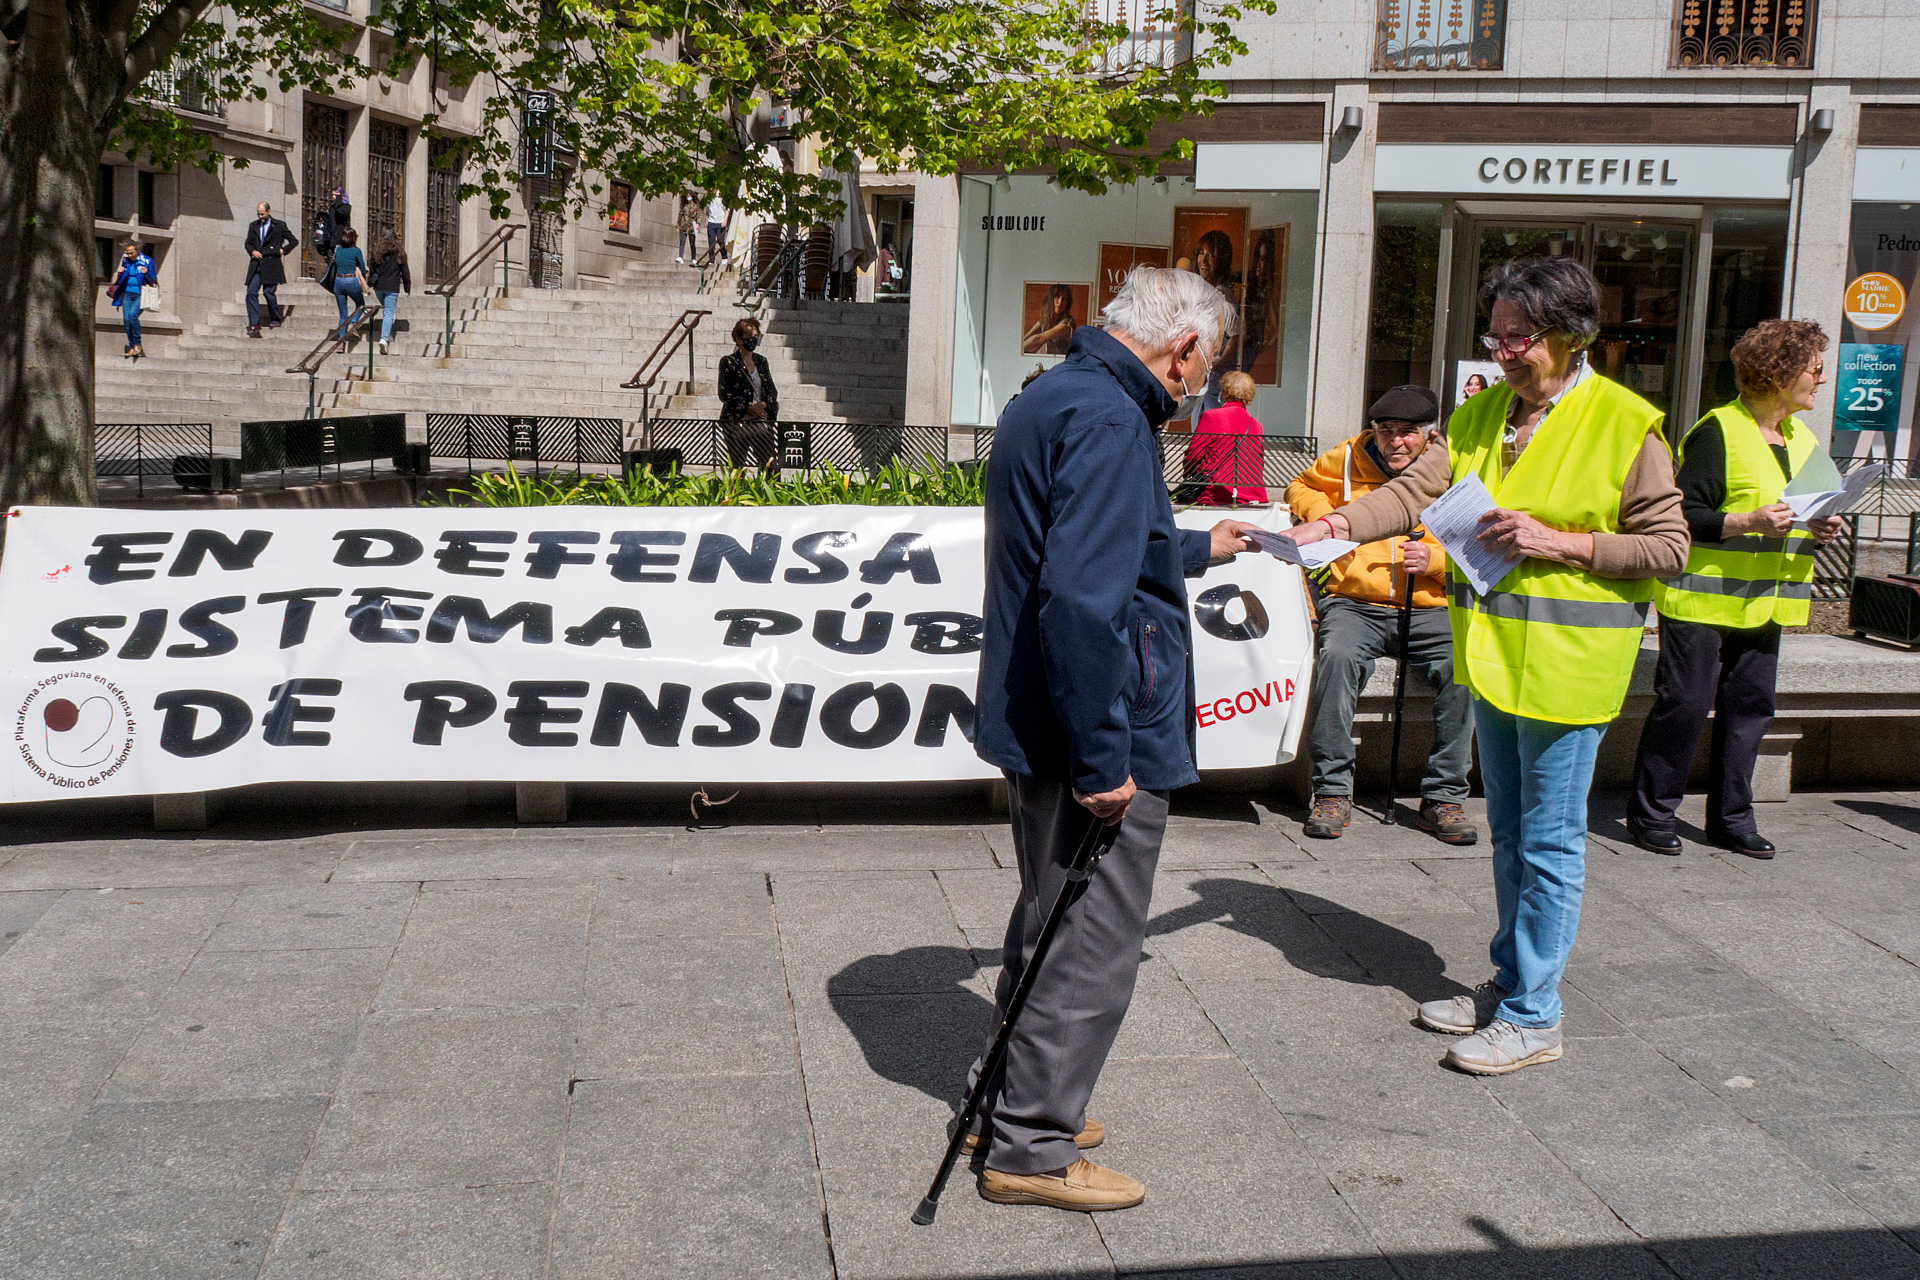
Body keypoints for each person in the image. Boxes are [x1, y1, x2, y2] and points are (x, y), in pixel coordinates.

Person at [1279, 257, 1687, 1076]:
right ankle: (1509, 986)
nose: (1501, 351)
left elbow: (1670, 547)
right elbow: (1413, 493)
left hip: (1570, 667)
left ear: (1571, 336)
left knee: (1550, 843)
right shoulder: (1484, 415)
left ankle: (1536, 1015)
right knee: (1512, 838)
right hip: (1494, 661)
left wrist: (1559, 540)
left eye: (1518, 337)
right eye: (1494, 335)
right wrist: (1329, 530)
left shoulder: (1626, 423)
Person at [970, 265, 1258, 1212]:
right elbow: (1083, 604)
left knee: (1050, 913)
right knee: (1090, 941)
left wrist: (1189, 548)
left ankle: (1006, 1102)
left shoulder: (1060, 393)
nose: (1198, 387)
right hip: (1089, 728)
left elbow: (1087, 548)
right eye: (1201, 368)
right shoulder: (1107, 418)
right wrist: (1106, 759)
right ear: (1181, 348)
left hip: (1045, 713)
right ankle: (1033, 1146)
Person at [1628, 320, 1845, 858]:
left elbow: (1798, 513)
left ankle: (1731, 819)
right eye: (1814, 368)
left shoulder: (1803, 440)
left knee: (1750, 712)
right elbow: (1682, 514)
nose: (1820, 378)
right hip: (1702, 599)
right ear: (1779, 373)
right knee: (1684, 705)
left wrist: (1819, 525)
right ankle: (1652, 813)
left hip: (1767, 603)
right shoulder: (1717, 431)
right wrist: (1747, 521)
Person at [1287, 384, 1477, 846]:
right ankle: (1331, 790)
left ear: (1430, 436)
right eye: (1385, 430)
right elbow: (1301, 486)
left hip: (1430, 603)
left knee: (1465, 669)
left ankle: (1444, 797)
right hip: (1357, 601)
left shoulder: (1454, 464)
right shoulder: (1348, 456)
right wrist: (1330, 513)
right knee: (1336, 658)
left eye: (1408, 433)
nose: (1395, 441)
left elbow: (1481, 534)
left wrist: (1435, 562)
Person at [1182, 370, 1269, 505]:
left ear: (1226, 392)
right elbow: (1258, 462)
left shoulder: (1211, 416)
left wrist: (1188, 478)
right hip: (1253, 494)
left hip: (1216, 493)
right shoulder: (1256, 425)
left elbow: (1194, 455)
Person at [718, 316, 778, 470]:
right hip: (738, 422)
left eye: (756, 336)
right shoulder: (729, 362)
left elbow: (771, 390)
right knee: (738, 467)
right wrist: (747, 407)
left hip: (761, 420)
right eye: (749, 336)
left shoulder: (761, 361)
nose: (753, 340)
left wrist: (762, 406)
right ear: (738, 338)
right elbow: (725, 393)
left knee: (770, 464)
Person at [243, 201, 298, 337]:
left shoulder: (279, 226)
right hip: (257, 264)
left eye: (262, 214)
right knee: (251, 292)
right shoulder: (253, 226)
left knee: (268, 292)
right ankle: (254, 324)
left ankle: (275, 318)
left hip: (272, 264)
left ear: (268, 211)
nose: (260, 216)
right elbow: (248, 243)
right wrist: (252, 251)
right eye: (258, 214)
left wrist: (283, 250)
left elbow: (293, 241)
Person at [106, 239, 154, 359]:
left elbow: (153, 279)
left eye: (131, 253)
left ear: (137, 250)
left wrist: (146, 273)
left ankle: (137, 344)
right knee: (126, 320)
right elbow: (122, 278)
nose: (129, 255)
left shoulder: (147, 261)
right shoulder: (126, 261)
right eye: (127, 253)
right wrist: (120, 273)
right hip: (127, 293)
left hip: (140, 294)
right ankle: (132, 347)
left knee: (133, 316)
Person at [368, 232, 412, 355]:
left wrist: (370, 283)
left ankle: (388, 333)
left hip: (379, 287)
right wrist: (407, 288)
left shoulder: (376, 253)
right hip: (392, 286)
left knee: (387, 310)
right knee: (388, 312)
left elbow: (372, 270)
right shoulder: (400, 254)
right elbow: (405, 272)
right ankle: (384, 339)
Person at [328, 227, 369, 339]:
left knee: (343, 314)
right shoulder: (356, 251)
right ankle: (353, 322)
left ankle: (340, 342)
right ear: (353, 238)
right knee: (361, 305)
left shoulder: (338, 250)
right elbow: (362, 269)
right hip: (351, 280)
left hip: (338, 281)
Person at [1021, 284, 1078, 356]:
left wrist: (1016, 350)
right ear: (1051, 299)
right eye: (1057, 297)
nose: (1060, 302)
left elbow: (1038, 338)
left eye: (1064, 299)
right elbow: (1026, 337)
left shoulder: (1067, 324)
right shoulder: (1044, 321)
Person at [705, 194, 729, 265]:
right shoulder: (708, 197)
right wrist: (706, 220)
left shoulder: (722, 197)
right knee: (711, 241)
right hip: (711, 221)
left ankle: (724, 256)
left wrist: (725, 220)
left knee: (720, 240)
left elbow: (727, 210)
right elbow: (707, 210)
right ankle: (711, 259)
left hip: (720, 222)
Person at [676, 196, 700, 264]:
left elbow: (699, 215)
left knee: (692, 243)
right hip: (684, 225)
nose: (688, 197)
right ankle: (680, 256)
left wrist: (698, 223)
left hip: (692, 226)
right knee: (682, 242)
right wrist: (678, 225)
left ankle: (693, 258)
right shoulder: (684, 205)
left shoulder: (695, 205)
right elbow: (680, 215)